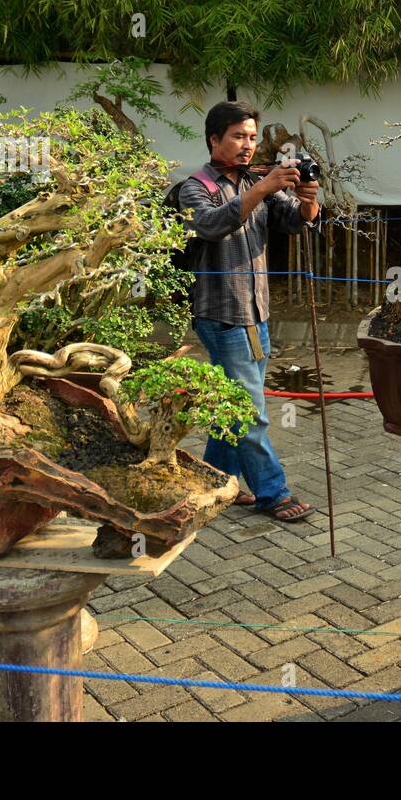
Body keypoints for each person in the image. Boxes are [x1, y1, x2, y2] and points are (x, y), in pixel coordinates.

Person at [173, 101, 319, 521]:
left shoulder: (257, 182)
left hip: (256, 311)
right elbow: (211, 224)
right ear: (214, 139)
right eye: (238, 136)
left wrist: (307, 200)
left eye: (253, 137)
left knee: (231, 407)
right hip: (220, 315)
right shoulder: (195, 187)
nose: (247, 145)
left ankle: (217, 479)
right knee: (251, 413)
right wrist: (265, 186)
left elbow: (295, 221)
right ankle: (273, 493)